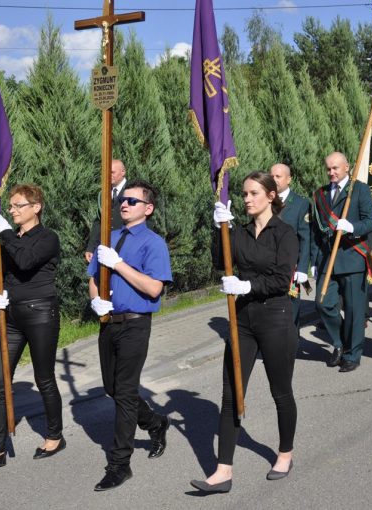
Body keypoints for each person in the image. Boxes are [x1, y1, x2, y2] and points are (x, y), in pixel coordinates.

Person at [191, 172, 299, 494]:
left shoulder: (285, 233)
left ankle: (285, 453)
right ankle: (223, 471)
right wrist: (218, 230)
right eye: (244, 194)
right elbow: (218, 263)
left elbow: (283, 279)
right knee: (231, 395)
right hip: (242, 319)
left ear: (270, 195)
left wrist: (249, 284)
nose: (247, 199)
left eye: (253, 193)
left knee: (280, 391)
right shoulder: (237, 233)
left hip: (276, 316)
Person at [0, 185, 63, 472]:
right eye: (11, 206)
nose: (12, 210)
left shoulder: (48, 238)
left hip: (41, 314)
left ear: (36, 207)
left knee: (43, 378)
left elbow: (25, 259)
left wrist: (5, 232)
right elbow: (3, 273)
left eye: (19, 205)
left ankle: (55, 435)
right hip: (11, 318)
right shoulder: (10, 238)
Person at [87, 179, 172, 491]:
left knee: (124, 392)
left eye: (132, 201)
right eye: (123, 200)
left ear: (147, 209)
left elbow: (153, 288)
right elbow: (94, 277)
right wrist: (95, 299)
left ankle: (119, 464)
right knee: (112, 387)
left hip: (136, 324)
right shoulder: (109, 238)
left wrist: (120, 265)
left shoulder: (153, 243)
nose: (124, 204)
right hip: (108, 321)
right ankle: (155, 422)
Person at [310, 152, 372, 372]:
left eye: (336, 168)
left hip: (352, 257)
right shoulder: (320, 194)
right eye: (328, 169)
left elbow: (370, 222)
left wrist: (351, 227)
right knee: (322, 303)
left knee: (354, 311)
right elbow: (316, 232)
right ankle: (340, 342)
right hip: (328, 259)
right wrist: (314, 260)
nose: (331, 173)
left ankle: (352, 354)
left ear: (347, 167)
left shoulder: (359, 190)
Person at [270, 163, 310, 328]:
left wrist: (302, 267)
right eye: (271, 176)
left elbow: (305, 237)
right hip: (268, 263)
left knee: (291, 308)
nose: (274, 180)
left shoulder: (300, 203)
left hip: (290, 265)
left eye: (278, 177)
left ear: (289, 179)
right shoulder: (265, 200)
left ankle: (292, 341)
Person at [85, 159, 128, 263]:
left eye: (112, 172)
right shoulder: (103, 193)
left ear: (123, 172)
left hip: (125, 247)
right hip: (103, 247)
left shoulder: (133, 190)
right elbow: (98, 221)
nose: (109, 175)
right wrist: (91, 247)